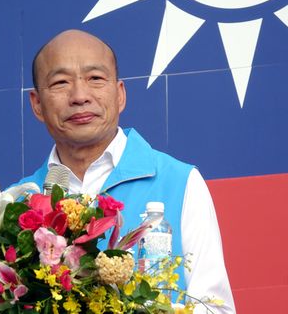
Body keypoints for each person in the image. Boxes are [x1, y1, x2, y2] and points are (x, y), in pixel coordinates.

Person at [18, 29, 236, 313]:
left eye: (95, 78)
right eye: (60, 82)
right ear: (37, 104)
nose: (80, 96)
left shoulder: (179, 183)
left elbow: (216, 308)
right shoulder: (20, 202)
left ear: (120, 94)